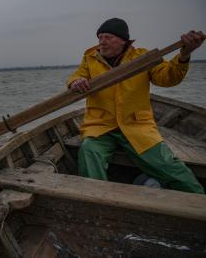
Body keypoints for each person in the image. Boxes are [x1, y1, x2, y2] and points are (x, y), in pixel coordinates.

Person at [67, 18, 205, 194]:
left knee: (168, 165)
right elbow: (76, 76)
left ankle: (198, 200)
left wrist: (184, 55)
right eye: (100, 37)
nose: (102, 42)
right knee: (88, 152)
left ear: (123, 40)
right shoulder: (90, 58)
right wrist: (75, 82)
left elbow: (168, 78)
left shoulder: (142, 57)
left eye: (108, 37)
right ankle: (95, 201)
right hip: (100, 126)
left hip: (136, 126)